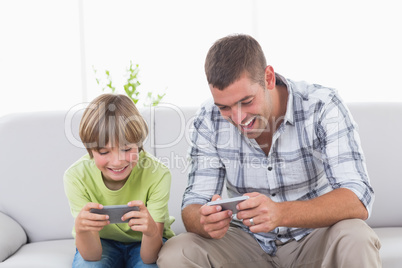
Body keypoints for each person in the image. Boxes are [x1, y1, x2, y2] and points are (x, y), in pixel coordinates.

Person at [157, 34, 381, 267]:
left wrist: (280, 213)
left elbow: (358, 198)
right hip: (247, 243)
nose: (238, 118)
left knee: (357, 237)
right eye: (225, 107)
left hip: (313, 238)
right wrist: (203, 220)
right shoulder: (208, 118)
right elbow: (193, 204)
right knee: (177, 252)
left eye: (247, 101)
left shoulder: (322, 105)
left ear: (269, 78)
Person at [64, 93, 175, 267]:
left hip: (145, 242)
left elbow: (149, 258)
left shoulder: (158, 174)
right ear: (90, 151)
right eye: (104, 152)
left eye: (126, 149)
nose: (117, 161)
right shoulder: (76, 176)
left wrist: (152, 232)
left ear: (138, 144)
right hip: (102, 241)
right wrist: (81, 229)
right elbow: (91, 257)